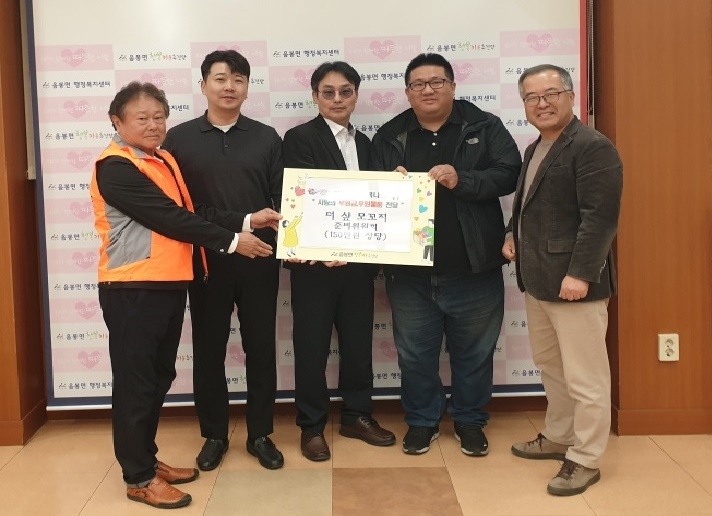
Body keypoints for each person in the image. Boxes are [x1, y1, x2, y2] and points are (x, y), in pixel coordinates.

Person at [90, 81, 280, 509]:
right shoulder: (115, 166)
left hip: (169, 284)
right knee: (136, 383)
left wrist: (247, 220)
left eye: (159, 117)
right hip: (132, 288)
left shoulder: (163, 160)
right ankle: (139, 476)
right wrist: (233, 241)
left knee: (158, 377)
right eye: (142, 118)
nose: (153, 125)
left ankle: (147, 459)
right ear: (117, 121)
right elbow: (170, 218)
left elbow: (194, 212)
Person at [371, 53, 521, 456]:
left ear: (453, 86)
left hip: (475, 269)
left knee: (475, 355)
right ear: (407, 92)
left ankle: (470, 421)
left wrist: (463, 179)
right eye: (418, 84)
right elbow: (371, 194)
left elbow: (510, 173)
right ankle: (422, 421)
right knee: (414, 357)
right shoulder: (389, 136)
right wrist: (388, 187)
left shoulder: (484, 125)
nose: (428, 90)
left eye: (437, 82)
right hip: (410, 274)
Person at [502, 64, 623, 496]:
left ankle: (586, 458)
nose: (542, 103)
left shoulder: (592, 147)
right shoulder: (535, 147)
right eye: (532, 97)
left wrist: (580, 273)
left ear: (571, 96)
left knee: (586, 377)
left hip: (575, 286)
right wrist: (511, 234)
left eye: (552, 93)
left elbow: (600, 219)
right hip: (538, 281)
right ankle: (558, 435)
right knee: (552, 368)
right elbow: (528, 207)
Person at [162, 50, 284, 470]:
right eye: (220, 78)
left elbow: (281, 201)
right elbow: (180, 210)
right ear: (203, 86)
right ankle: (214, 434)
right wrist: (241, 224)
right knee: (209, 349)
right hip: (206, 261)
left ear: (248, 87)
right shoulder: (178, 139)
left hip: (260, 258)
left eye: (238, 79)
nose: (229, 86)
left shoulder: (267, 137)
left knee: (261, 348)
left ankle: (260, 434)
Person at [282, 61, 396, 462]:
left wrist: (396, 186)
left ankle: (356, 416)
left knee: (358, 343)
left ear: (356, 95)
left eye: (345, 91)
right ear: (315, 96)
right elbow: (302, 195)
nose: (337, 99)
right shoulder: (299, 138)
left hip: (359, 265)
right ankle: (312, 426)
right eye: (328, 92)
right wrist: (321, 248)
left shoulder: (367, 143)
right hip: (315, 266)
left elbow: (374, 199)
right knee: (311, 347)